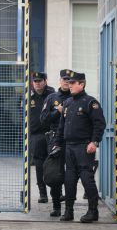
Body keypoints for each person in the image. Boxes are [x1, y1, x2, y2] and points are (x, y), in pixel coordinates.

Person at [52, 71, 106, 223]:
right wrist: (57, 143)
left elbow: (99, 124)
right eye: (68, 83)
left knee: (86, 179)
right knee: (69, 180)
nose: (69, 86)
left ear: (81, 84)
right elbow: (61, 127)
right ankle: (69, 211)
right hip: (69, 147)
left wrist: (94, 142)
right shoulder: (68, 103)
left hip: (84, 147)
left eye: (72, 83)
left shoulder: (90, 103)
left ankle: (93, 212)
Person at [40, 69, 72, 216]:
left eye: (69, 80)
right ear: (60, 81)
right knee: (55, 173)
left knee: (72, 173)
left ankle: (69, 208)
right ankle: (57, 207)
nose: (66, 82)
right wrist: (57, 111)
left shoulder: (78, 98)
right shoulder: (52, 98)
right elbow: (44, 119)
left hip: (72, 140)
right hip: (55, 140)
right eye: (64, 79)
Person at [29, 72, 55, 203]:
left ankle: (57, 193)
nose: (37, 83)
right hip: (36, 135)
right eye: (35, 81)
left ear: (45, 81)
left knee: (54, 164)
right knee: (39, 165)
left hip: (51, 134)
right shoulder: (29, 96)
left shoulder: (52, 95)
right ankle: (42, 193)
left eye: (40, 81)